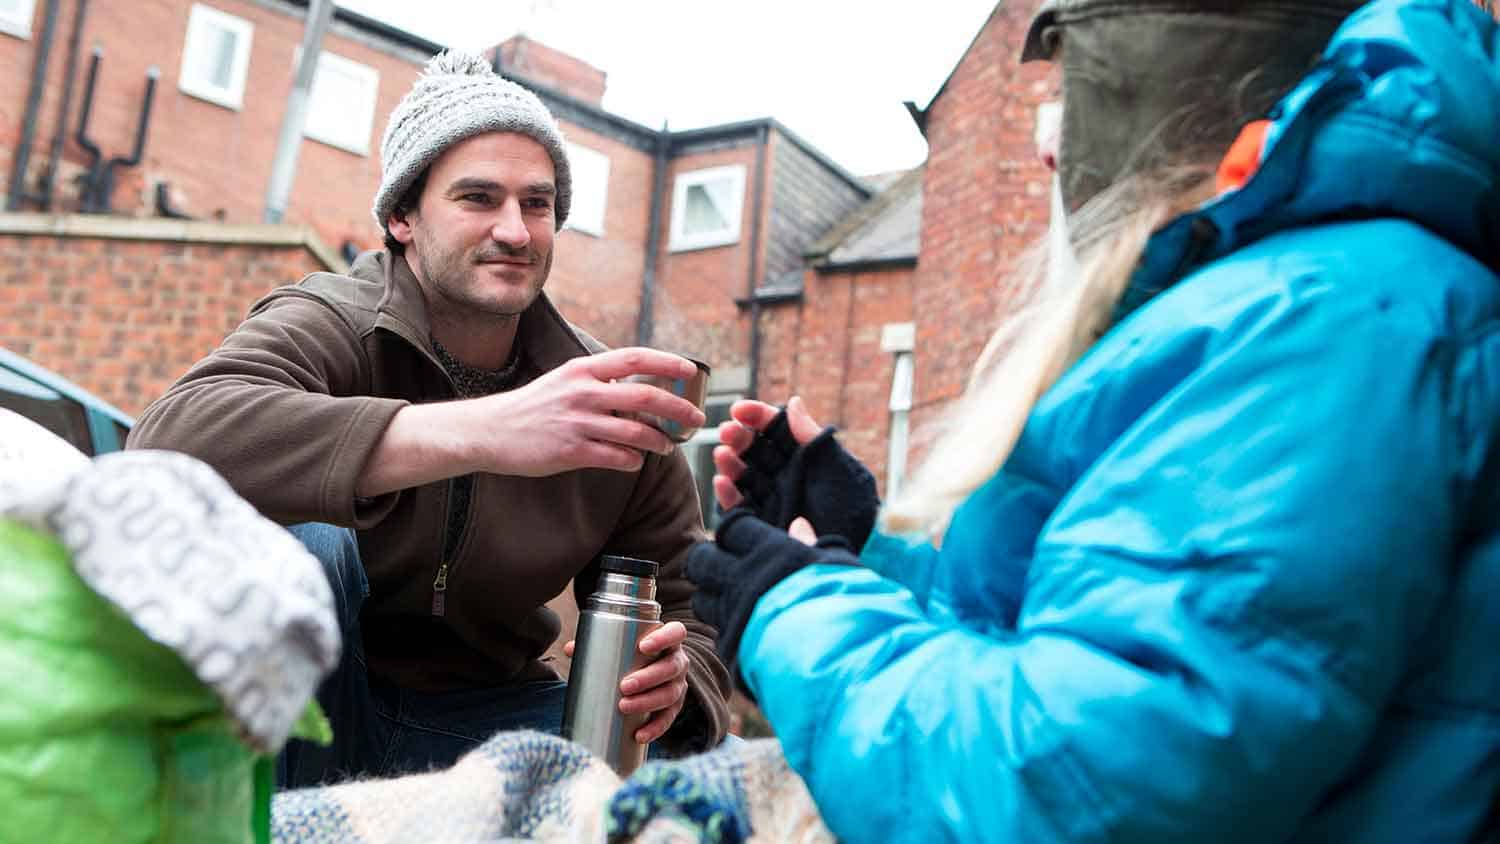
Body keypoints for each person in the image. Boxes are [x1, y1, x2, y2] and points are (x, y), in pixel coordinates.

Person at [685, 0, 1500, 840]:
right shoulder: (1315, 298)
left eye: (1074, 110)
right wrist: (868, 561)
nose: (1047, 152)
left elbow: (1076, 791)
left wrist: (796, 611)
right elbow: (1093, 650)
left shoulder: (1323, 320)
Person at [127, 51, 731, 785]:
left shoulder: (599, 393)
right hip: (313, 706)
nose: (515, 230)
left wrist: (679, 682)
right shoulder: (334, 321)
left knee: (689, 782)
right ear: (401, 217)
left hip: (492, 719)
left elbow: (688, 600)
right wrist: (484, 431)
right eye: (479, 198)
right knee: (307, 537)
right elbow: (170, 436)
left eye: (536, 204)